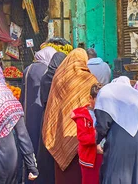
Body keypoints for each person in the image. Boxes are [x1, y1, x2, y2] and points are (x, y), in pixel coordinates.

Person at [42, 49, 98, 184]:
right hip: (82, 134)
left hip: (60, 133)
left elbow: (53, 106)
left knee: (64, 177)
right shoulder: (89, 79)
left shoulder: (58, 78)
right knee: (80, 175)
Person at [94, 76, 138, 183]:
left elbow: (102, 124)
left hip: (122, 145)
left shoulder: (106, 92)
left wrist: (96, 142)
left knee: (117, 176)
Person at [36, 52, 67, 184]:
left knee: (46, 151)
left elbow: (43, 100)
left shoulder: (45, 78)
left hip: (47, 116)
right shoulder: (64, 78)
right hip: (61, 117)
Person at [21, 45, 57, 158]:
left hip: (28, 109)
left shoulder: (28, 69)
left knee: (29, 136)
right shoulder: (48, 70)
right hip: (42, 108)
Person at [71, 83, 103, 184]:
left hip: (104, 157)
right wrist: (98, 135)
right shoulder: (83, 116)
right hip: (90, 159)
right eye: (99, 100)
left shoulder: (106, 112)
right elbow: (83, 137)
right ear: (90, 98)